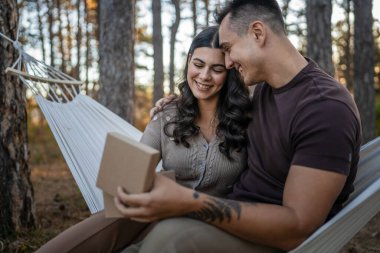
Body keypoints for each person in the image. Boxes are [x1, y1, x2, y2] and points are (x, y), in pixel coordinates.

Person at [116, 0, 362, 252]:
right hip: (231, 218)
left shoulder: (325, 108)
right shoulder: (266, 91)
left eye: (228, 48)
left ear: (257, 33)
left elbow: (297, 228)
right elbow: (218, 108)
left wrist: (190, 202)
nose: (229, 62)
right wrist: (180, 102)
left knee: (168, 238)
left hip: (271, 238)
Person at [36, 26, 252, 253]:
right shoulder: (167, 116)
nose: (204, 76)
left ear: (229, 71)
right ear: (189, 60)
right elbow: (130, 176)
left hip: (215, 225)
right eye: (198, 65)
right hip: (160, 215)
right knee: (112, 223)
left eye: (216, 69)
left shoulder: (247, 121)